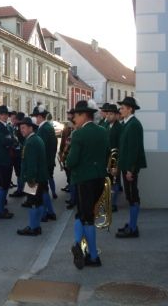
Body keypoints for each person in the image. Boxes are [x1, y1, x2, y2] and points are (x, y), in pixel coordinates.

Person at [66, 100, 109, 269]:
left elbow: (72, 161)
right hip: (99, 178)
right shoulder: (103, 131)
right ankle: (79, 245)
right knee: (83, 213)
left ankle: (92, 255)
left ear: (84, 115)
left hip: (84, 180)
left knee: (87, 217)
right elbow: (106, 153)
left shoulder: (79, 134)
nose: (74, 118)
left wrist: (68, 160)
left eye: (76, 115)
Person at [115, 97, 147, 238]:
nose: (120, 110)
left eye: (122, 108)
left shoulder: (133, 125)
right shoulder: (128, 123)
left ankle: (133, 228)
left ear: (130, 109)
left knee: (133, 196)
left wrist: (130, 169)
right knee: (130, 195)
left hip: (130, 168)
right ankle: (132, 224)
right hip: (126, 166)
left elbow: (134, 150)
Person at [16, 117, 48, 236]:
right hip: (40, 178)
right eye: (20, 128)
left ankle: (33, 228)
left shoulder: (31, 142)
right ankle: (36, 226)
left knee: (33, 203)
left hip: (33, 179)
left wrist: (30, 180)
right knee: (38, 202)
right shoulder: (35, 139)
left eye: (24, 128)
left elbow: (31, 163)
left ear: (30, 128)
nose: (21, 130)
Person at [29, 104, 57, 222]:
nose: (34, 119)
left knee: (39, 190)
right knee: (44, 188)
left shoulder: (44, 129)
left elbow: (41, 148)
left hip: (43, 164)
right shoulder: (47, 127)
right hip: (47, 162)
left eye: (35, 116)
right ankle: (50, 212)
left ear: (40, 117)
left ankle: (44, 214)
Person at [104, 104, 122, 212]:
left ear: (116, 115)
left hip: (115, 158)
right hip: (106, 158)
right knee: (108, 181)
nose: (108, 116)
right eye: (108, 114)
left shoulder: (119, 128)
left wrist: (117, 163)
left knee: (115, 181)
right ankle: (108, 201)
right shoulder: (106, 126)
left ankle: (114, 203)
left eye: (111, 114)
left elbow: (120, 146)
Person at [10, 112, 26, 197]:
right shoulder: (18, 128)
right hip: (20, 154)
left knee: (22, 174)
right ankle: (24, 192)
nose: (13, 120)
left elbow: (18, 142)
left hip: (20, 155)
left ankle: (22, 192)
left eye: (14, 119)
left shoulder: (20, 129)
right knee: (20, 173)